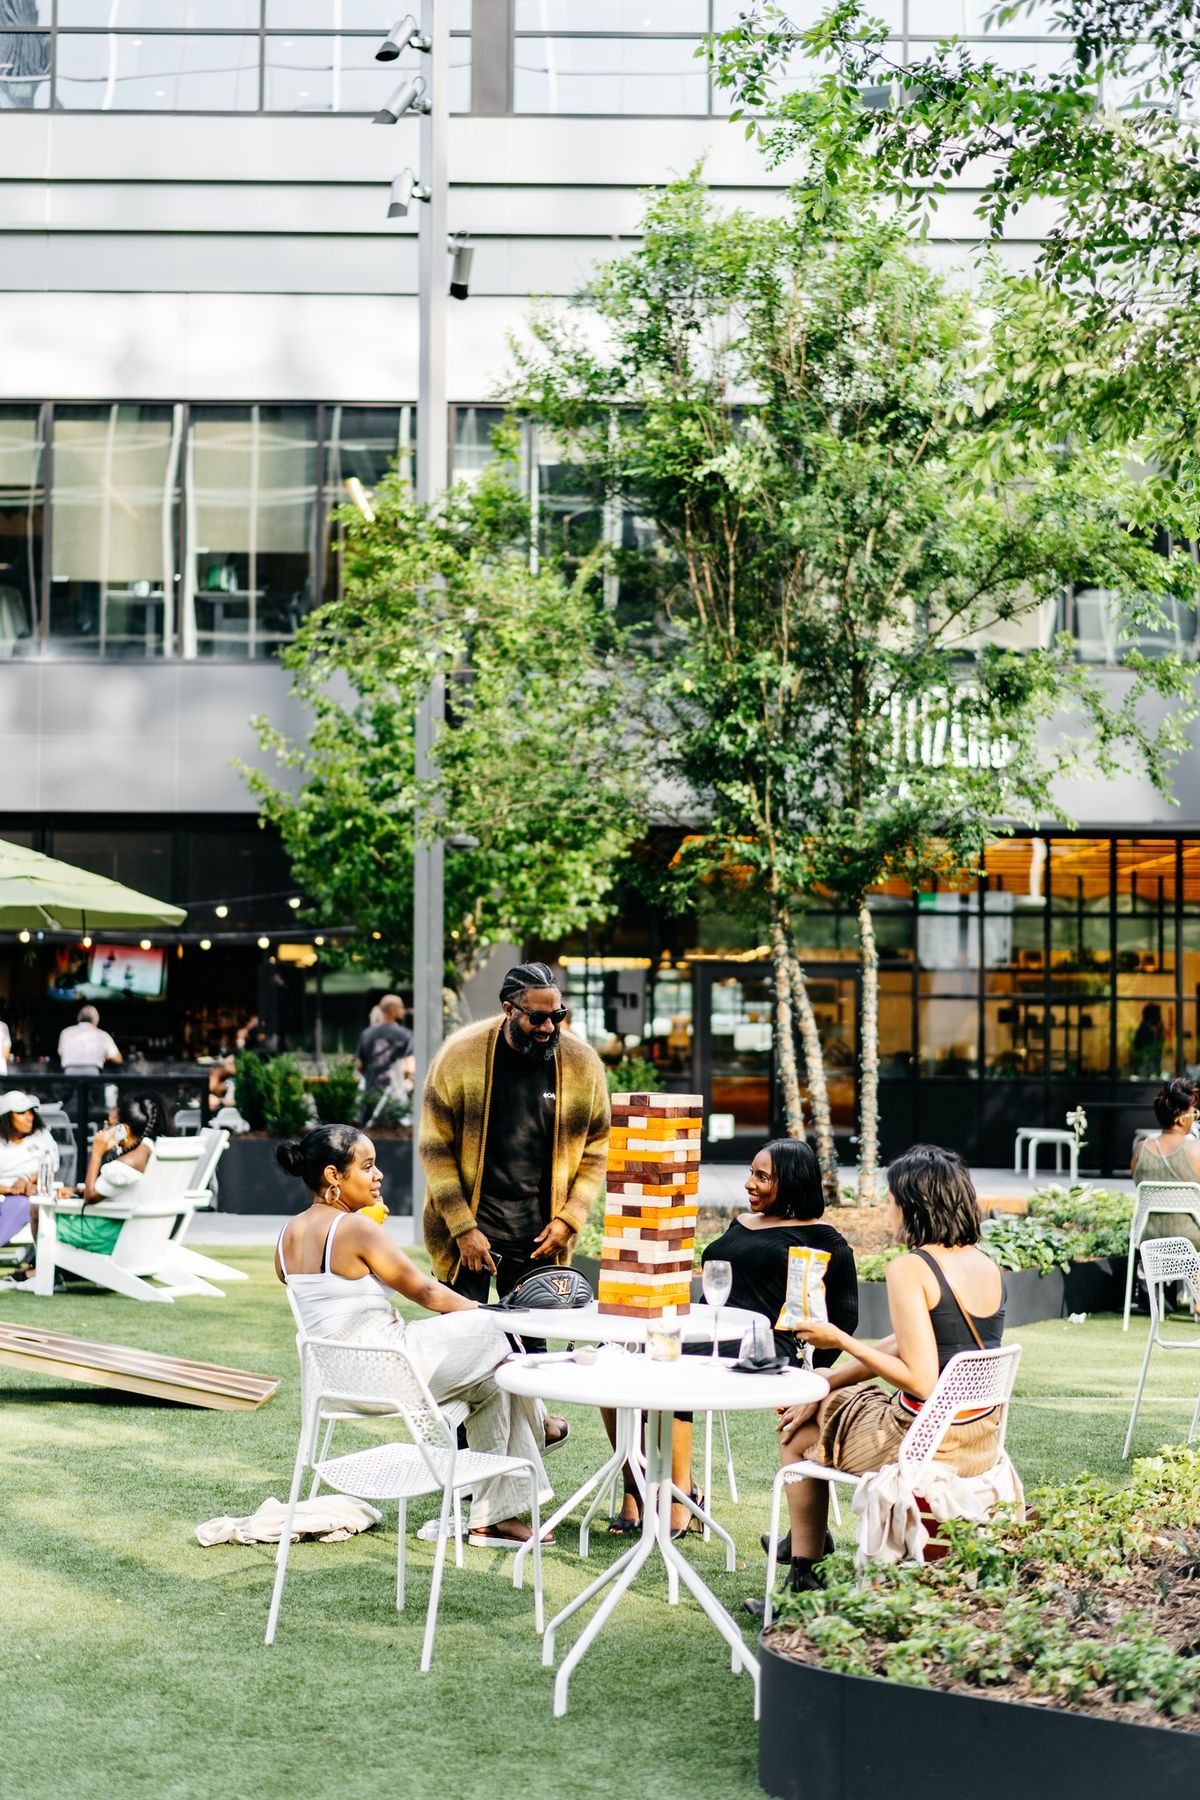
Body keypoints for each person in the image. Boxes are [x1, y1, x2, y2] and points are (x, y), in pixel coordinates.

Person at [747, 1144, 1006, 1610]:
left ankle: (805, 1574)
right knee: (816, 1395)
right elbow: (904, 1345)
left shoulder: (911, 1268)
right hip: (976, 1439)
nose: (887, 1208)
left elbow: (922, 1380)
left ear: (913, 1204)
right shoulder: (986, 1265)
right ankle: (806, 1555)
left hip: (920, 1443)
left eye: (890, 1199)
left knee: (795, 1421)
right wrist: (826, 1382)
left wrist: (838, 1339)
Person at [274, 1123, 553, 1548]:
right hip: (385, 1368)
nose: (378, 1175)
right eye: (367, 1167)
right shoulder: (356, 1230)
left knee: (493, 1385)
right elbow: (426, 1292)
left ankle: (494, 1520)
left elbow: (322, 1295)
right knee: (493, 1328)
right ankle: (543, 1424)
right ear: (334, 1176)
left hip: (336, 1379)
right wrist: (489, 1309)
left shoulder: (285, 1237)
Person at [607, 1138, 859, 1540]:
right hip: (705, 1329)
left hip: (763, 1347)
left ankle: (679, 1497)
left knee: (673, 1372)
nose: (749, 1184)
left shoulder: (824, 1239)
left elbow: (844, 1319)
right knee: (615, 1367)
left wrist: (814, 1378)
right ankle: (637, 1484)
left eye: (762, 1177)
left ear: (792, 1183)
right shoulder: (742, 1222)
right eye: (750, 1172)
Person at [420, 961, 609, 1307]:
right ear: (508, 1009)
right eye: (537, 1017)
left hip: (538, 1236)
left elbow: (597, 1148)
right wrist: (463, 1229)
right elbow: (435, 1149)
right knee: (464, 1345)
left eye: (558, 1015)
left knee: (531, 1349)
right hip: (470, 1227)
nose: (549, 1027)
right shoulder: (460, 1055)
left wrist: (570, 1220)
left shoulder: (582, 1063)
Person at [13, 1089, 170, 1276]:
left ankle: (45, 1271)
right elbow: (112, 1189)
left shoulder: (122, 1165)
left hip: (108, 1235)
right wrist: (74, 1191)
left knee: (38, 1211)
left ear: (123, 1130)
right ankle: (43, 1267)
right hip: (134, 1230)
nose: (104, 1130)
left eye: (109, 1124)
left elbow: (91, 1197)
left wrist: (96, 1152)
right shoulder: (148, 1149)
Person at [1131, 1077, 1200, 1253]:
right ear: (1183, 1120)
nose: (1195, 1119)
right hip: (1191, 1240)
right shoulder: (1195, 1150)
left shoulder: (1140, 1149)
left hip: (1149, 1239)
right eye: (1195, 1114)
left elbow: (1136, 1181)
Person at [0, 1089, 60, 1250]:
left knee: (22, 1204)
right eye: (21, 1113)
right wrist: (9, 1189)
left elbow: (51, 1165)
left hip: (26, 1196)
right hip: (6, 1193)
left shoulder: (42, 1135)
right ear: (6, 1116)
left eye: (31, 1112)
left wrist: (26, 1179)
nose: (29, 1117)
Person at [356, 994, 414, 1112]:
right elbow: (409, 1068)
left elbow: (359, 1064)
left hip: (370, 1097)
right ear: (393, 1011)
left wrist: (370, 1077)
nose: (403, 1010)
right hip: (395, 1096)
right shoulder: (405, 1035)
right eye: (401, 1007)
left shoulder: (367, 1033)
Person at [57, 1004, 122, 1073]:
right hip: (92, 1073)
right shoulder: (102, 1034)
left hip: (69, 1073)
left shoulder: (66, 1032)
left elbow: (62, 1055)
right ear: (96, 1020)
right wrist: (105, 1058)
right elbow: (118, 1059)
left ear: (78, 1019)